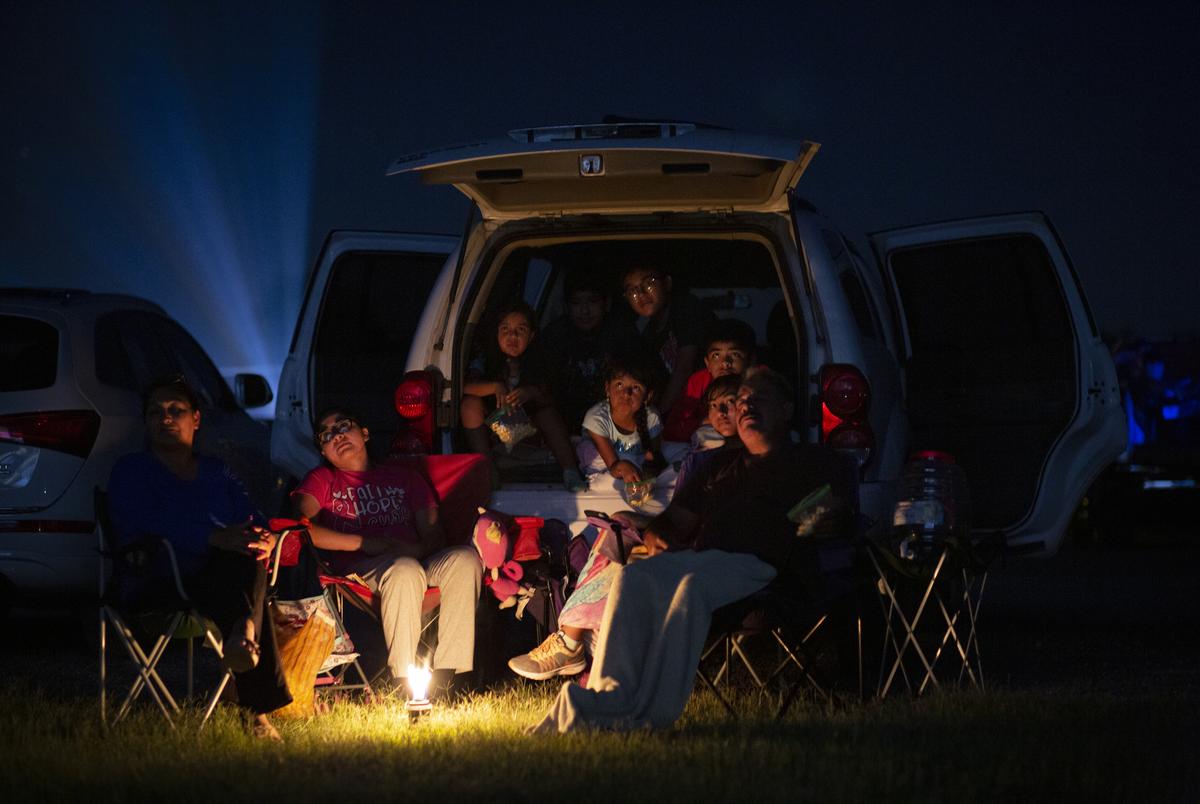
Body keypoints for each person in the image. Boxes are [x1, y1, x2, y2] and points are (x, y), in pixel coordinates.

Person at [528, 368, 849, 732]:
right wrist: (654, 534)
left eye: (757, 399)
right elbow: (673, 520)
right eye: (742, 400)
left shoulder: (813, 462)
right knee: (633, 579)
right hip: (704, 559)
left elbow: (837, 514)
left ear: (787, 409)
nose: (745, 406)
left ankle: (652, 716)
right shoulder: (717, 465)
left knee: (690, 587)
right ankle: (608, 698)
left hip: (770, 568)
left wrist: (828, 521)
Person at [508, 371, 745, 682]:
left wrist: (652, 528)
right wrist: (641, 523)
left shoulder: (743, 458)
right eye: (715, 405)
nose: (723, 412)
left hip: (709, 552)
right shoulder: (697, 456)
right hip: (683, 540)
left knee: (622, 557)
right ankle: (577, 644)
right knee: (617, 531)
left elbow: (709, 519)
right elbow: (680, 514)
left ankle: (574, 645)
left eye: (731, 403)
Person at [108, 377, 290, 740]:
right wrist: (212, 536)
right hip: (161, 580)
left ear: (196, 419)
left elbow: (251, 514)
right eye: (155, 412)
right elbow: (137, 524)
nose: (165, 418)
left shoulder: (216, 471)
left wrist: (265, 535)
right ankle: (255, 701)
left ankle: (243, 634)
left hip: (221, 581)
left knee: (249, 549)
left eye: (175, 410)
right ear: (145, 422)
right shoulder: (131, 470)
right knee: (238, 559)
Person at [292, 407, 482, 695]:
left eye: (344, 426)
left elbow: (434, 534)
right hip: (360, 572)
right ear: (324, 451)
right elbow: (302, 528)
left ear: (365, 434)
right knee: (404, 569)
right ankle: (405, 682)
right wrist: (365, 543)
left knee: (465, 560)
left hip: (415, 558)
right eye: (327, 435)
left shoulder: (405, 478)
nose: (337, 436)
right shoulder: (322, 480)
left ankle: (449, 679)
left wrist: (413, 549)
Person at [460, 300, 587, 491]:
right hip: (495, 433)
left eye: (521, 329)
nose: (512, 335)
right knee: (469, 405)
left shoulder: (541, 362)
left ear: (532, 336)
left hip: (529, 433)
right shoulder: (486, 360)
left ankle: (570, 472)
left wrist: (531, 392)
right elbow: (465, 387)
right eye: (505, 329)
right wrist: (495, 387)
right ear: (496, 333)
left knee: (547, 413)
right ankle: (486, 468)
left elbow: (553, 399)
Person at [613, 265, 715, 416]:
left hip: (710, 404)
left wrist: (659, 416)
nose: (640, 293)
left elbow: (684, 368)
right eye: (632, 290)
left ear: (667, 283)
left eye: (648, 283)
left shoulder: (686, 309)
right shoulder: (648, 334)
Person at [576, 349, 666, 484]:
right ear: (607, 389)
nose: (626, 394)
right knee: (589, 451)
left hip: (635, 462)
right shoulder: (596, 418)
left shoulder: (652, 418)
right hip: (607, 464)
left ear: (647, 396)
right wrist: (624, 466)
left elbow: (653, 456)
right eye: (619, 385)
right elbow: (613, 466)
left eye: (636, 388)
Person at [661, 318, 756, 443]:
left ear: (750, 361)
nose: (725, 363)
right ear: (707, 363)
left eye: (735, 355)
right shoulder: (699, 382)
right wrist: (709, 420)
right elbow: (672, 429)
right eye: (716, 355)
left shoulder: (759, 383)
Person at [542, 270, 613, 433]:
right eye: (576, 303)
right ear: (566, 306)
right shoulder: (555, 336)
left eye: (592, 301)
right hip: (565, 428)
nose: (585, 311)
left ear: (606, 303)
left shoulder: (620, 334)